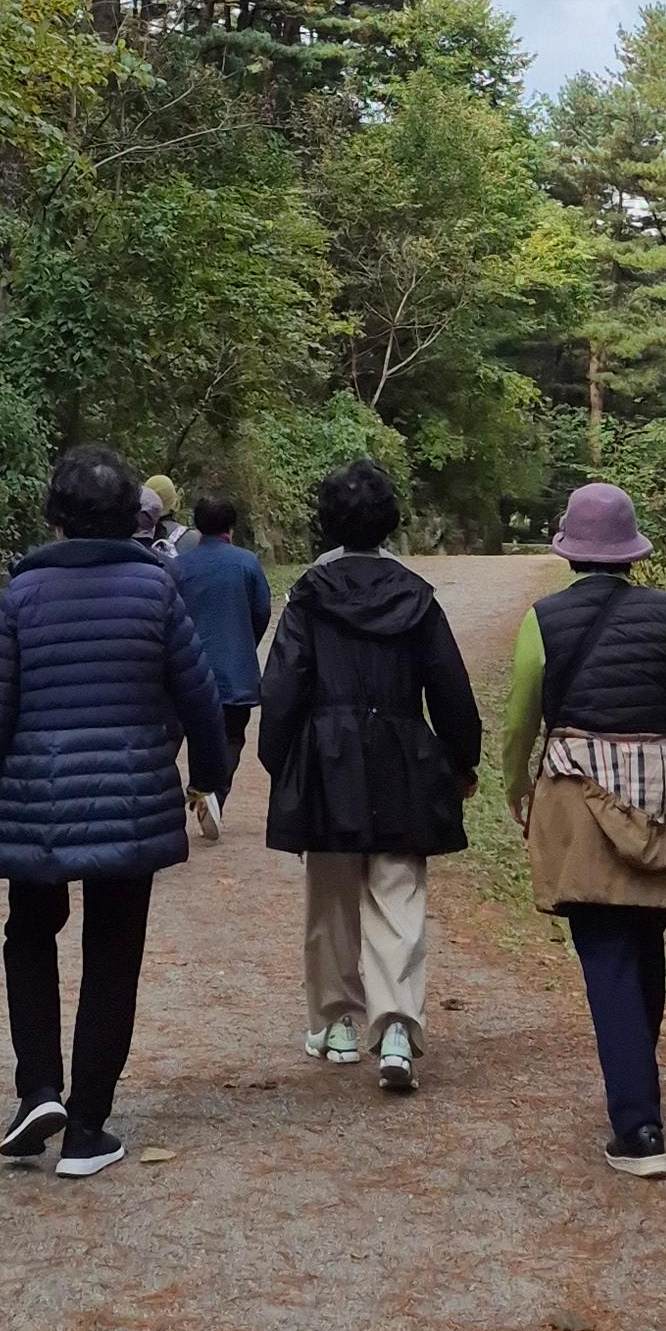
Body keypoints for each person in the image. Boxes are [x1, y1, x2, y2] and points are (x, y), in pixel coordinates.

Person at [0, 440, 232, 1180]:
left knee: (29, 933)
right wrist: (208, 775)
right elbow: (199, 696)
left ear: (57, 516)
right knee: (113, 953)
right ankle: (86, 1127)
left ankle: (38, 1089)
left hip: (35, 800)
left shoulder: (22, 596)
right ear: (131, 516)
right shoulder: (155, 592)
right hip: (129, 800)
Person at [501, 480, 666, 1182]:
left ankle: (639, 1128)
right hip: (662, 809)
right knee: (643, 945)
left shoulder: (543, 620)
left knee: (607, 957)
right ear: (632, 553)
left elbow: (521, 718)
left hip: (580, 808)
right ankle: (637, 1084)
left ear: (571, 552)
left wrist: (516, 786)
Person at [258, 459, 481, 1089]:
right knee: (398, 890)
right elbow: (450, 687)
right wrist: (461, 760)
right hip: (403, 757)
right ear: (390, 521)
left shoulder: (308, 595)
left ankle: (336, 1024)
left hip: (327, 758)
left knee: (330, 894)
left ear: (326, 521)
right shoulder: (417, 597)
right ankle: (397, 1031)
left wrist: (282, 761)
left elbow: (282, 686)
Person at [170, 492, 272, 842]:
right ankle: (212, 794)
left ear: (197, 526)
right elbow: (262, 611)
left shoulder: (179, 567)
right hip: (233, 670)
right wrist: (244, 642)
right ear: (231, 527)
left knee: (188, 731)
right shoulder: (247, 563)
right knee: (231, 736)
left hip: (188, 670)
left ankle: (193, 792)